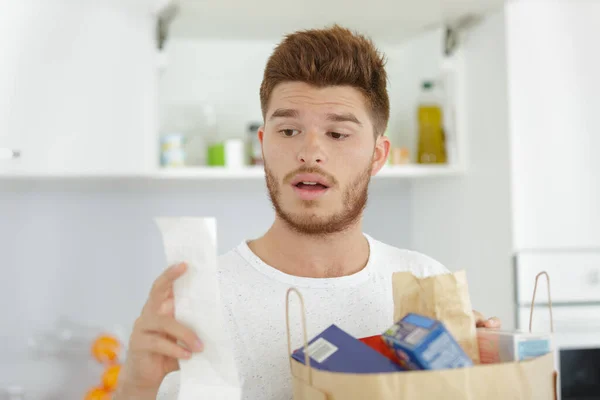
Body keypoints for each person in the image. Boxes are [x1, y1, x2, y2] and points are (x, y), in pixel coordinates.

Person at [114, 25, 500, 400]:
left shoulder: (424, 282)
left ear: (377, 155)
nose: (310, 152)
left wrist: (481, 369)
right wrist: (136, 386)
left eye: (337, 134)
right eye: (288, 131)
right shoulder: (199, 300)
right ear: (263, 145)